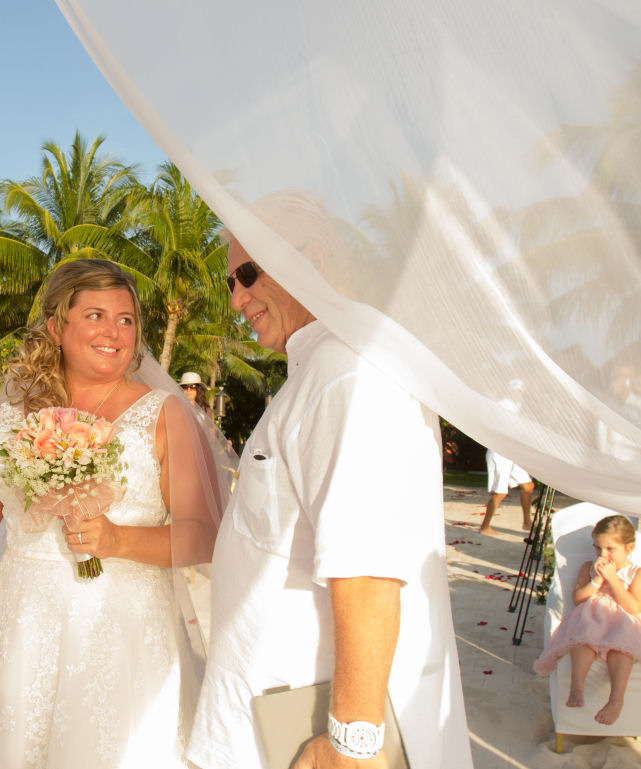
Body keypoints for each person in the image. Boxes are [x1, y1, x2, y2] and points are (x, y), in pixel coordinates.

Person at [0, 259, 228, 768]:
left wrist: (119, 541)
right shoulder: (13, 414)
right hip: (23, 626)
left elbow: (205, 535)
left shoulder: (163, 414)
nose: (113, 332)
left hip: (121, 633)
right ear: (56, 327)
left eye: (126, 319)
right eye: (95, 315)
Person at [188, 190, 470, 769]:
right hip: (276, 708)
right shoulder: (320, 367)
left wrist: (352, 742)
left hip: (309, 724)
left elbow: (367, 565)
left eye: (247, 274)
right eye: (231, 282)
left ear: (310, 260)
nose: (237, 298)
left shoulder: (349, 373)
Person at [534, 514, 641, 725]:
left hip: (621, 623)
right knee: (581, 641)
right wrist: (598, 579)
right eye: (598, 548)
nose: (603, 555)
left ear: (629, 548)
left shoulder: (635, 573)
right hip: (591, 619)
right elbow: (578, 599)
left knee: (622, 650)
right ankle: (577, 687)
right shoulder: (588, 567)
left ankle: (615, 700)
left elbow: (633, 607)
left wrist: (613, 579)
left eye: (610, 549)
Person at [479, 449, 535, 535]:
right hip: (499, 454)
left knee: (528, 486)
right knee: (500, 493)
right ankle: (485, 527)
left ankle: (527, 523)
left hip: (512, 455)